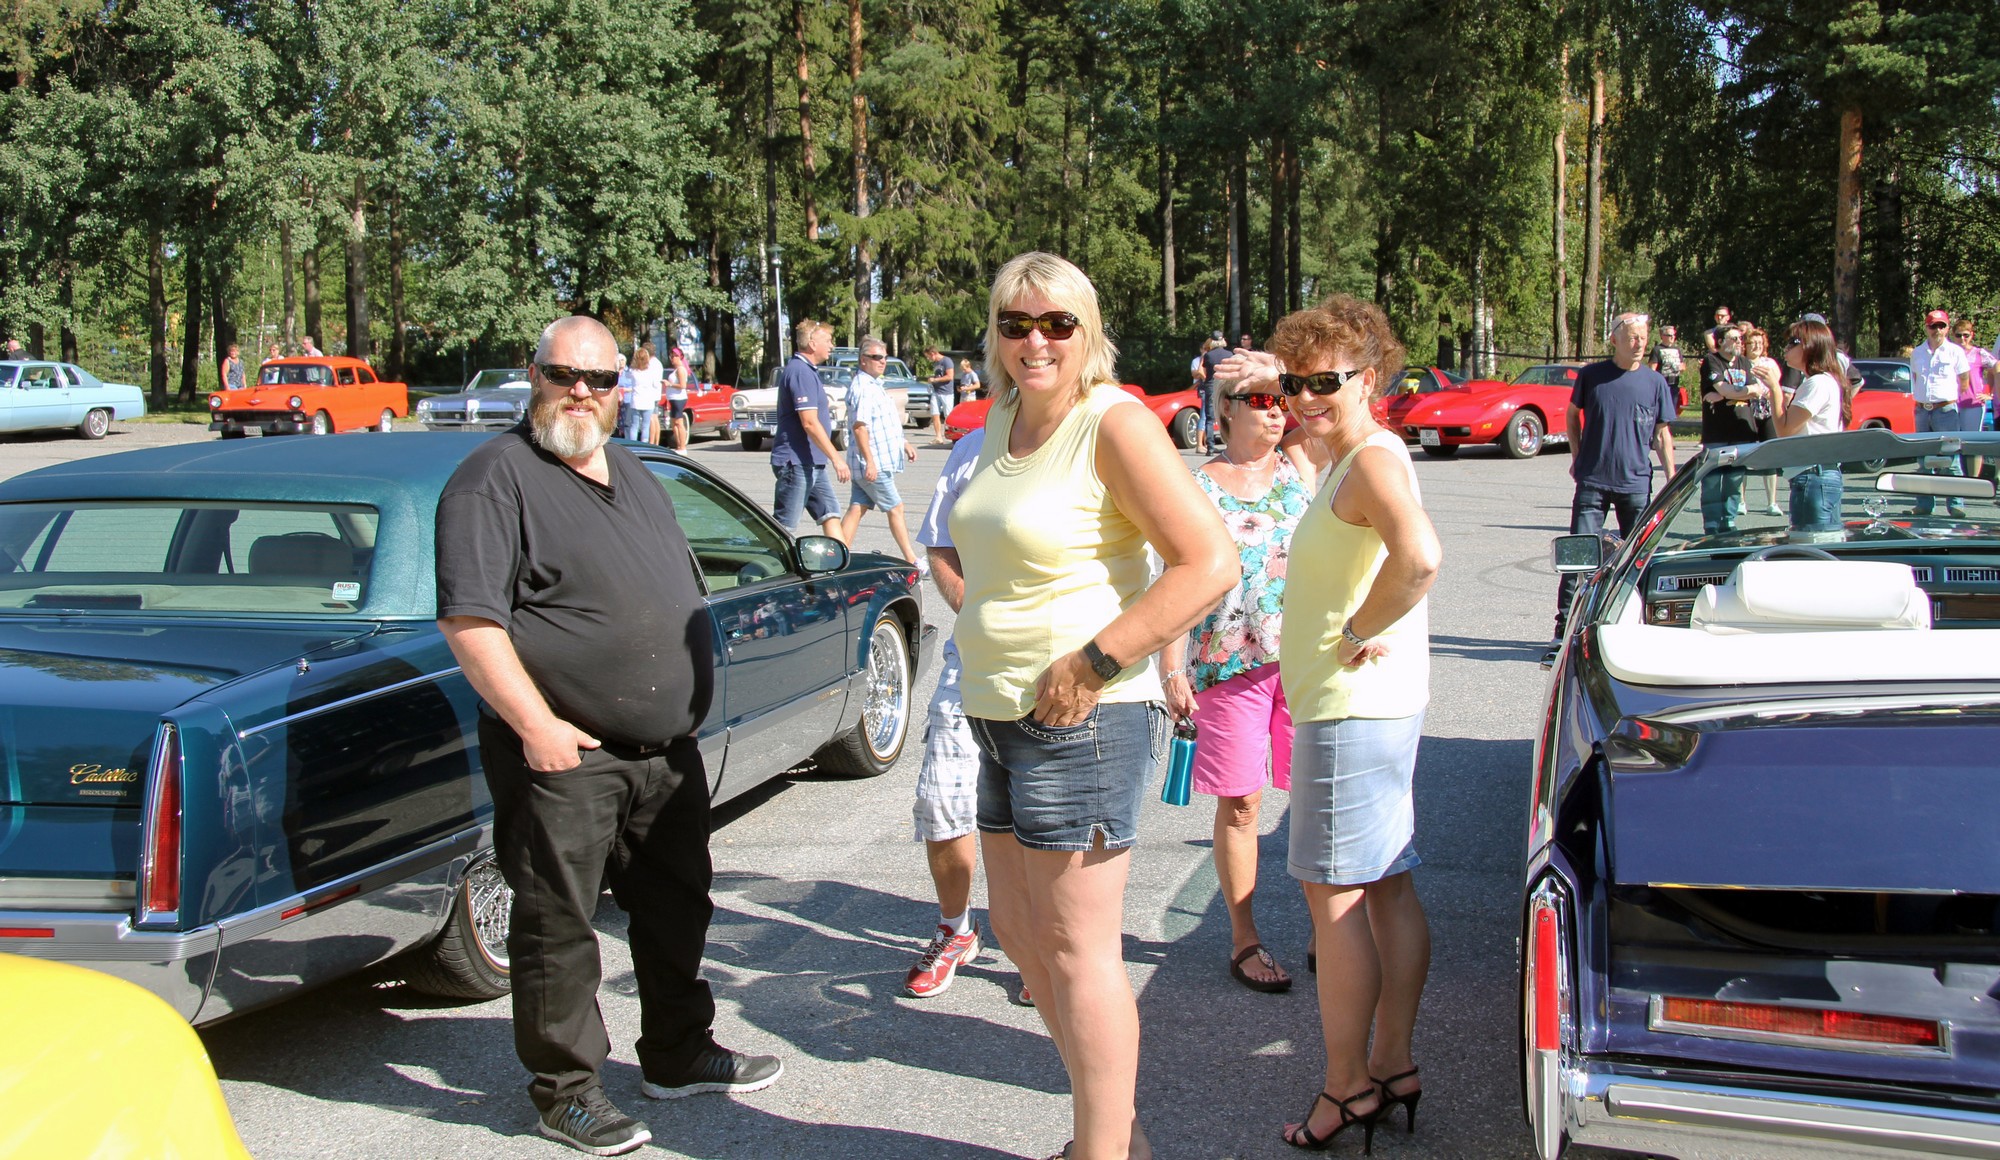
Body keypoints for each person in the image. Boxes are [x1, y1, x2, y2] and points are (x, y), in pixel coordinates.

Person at [435, 316, 782, 1158]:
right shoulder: (494, 481)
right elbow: (471, 622)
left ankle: (676, 1051)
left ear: (620, 388)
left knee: (676, 907)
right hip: (567, 755)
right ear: (534, 376)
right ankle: (567, 1091)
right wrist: (537, 726)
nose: (580, 392)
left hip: (664, 755)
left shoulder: (629, 468)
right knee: (557, 927)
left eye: (598, 379)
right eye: (563, 375)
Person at [952, 252, 1236, 1160]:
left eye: (1056, 324)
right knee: (1017, 931)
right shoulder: (1003, 417)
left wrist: (1095, 662)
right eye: (1015, 323)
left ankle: (1103, 1151)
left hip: (1082, 719)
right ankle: (1117, 1135)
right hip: (995, 713)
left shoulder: (1113, 422)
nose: (1034, 340)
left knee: (1079, 951)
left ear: (1089, 331)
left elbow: (1209, 561)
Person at [1266, 294, 1441, 1153]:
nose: (1305, 398)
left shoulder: (1368, 461)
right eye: (1293, 383)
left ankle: (1346, 1088)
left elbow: (1421, 560)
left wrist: (1356, 631)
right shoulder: (1363, 452)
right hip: (1377, 709)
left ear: (1370, 378)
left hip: (1350, 713)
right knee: (1386, 886)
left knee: (1334, 902)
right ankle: (1393, 1064)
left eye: (1325, 382)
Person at [1157, 383, 1315, 994]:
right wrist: (1172, 666)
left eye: (1282, 398)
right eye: (1260, 400)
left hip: (1304, 660)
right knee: (1243, 802)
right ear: (1225, 407)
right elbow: (1178, 575)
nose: (1276, 411)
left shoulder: (1300, 464)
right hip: (1226, 662)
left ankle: (1326, 929)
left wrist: (1279, 372)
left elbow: (1336, 402)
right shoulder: (1195, 485)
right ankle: (1244, 938)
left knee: (1313, 796)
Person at [904, 426, 1035, 1004]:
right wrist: (972, 606)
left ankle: (1037, 944)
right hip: (973, 659)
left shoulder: (1091, 435)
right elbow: (939, 543)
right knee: (941, 801)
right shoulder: (970, 448)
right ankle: (956, 929)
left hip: (1060, 663)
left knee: (1039, 813)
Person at [1557, 313, 1677, 637]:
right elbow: (1572, 416)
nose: (1639, 344)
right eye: (1632, 337)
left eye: (1643, 337)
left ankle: (1642, 624)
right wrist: (1577, 456)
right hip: (1593, 481)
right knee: (1578, 557)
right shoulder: (1592, 376)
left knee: (1639, 559)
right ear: (1614, 340)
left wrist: (1672, 477)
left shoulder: (1655, 382)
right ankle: (1563, 631)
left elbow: (1662, 434)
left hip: (1635, 484)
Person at [839, 340, 919, 562]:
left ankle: (836, 557)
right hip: (874, 463)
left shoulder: (874, 384)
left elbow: (883, 423)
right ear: (863, 360)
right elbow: (860, 427)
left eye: (884, 357)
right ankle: (912, 560)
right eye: (876, 357)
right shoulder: (863, 388)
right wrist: (870, 462)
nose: (882, 361)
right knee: (896, 508)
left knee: (858, 507)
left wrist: (904, 443)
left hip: (873, 461)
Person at [771, 319, 850, 541]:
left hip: (812, 461)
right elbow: (809, 422)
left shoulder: (807, 370)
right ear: (813, 344)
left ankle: (840, 559)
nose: (832, 345)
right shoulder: (800, 372)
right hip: (796, 463)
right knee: (783, 527)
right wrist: (837, 458)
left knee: (830, 513)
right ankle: (766, 562)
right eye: (828, 340)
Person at [1777, 317, 1853, 531]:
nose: (1786, 348)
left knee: (1810, 545)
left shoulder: (1817, 383)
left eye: (1793, 342)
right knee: (1823, 542)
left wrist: (1774, 387)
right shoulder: (1821, 381)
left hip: (1813, 476)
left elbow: (1784, 430)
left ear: (1810, 346)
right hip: (1819, 475)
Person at [1697, 325, 1764, 536]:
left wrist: (1729, 394)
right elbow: (1722, 388)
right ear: (1720, 342)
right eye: (1734, 338)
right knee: (1712, 480)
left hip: (1741, 431)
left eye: (1740, 338)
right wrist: (1741, 393)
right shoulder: (1712, 361)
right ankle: (1711, 524)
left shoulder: (1745, 362)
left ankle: (1728, 521)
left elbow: (1758, 390)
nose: (1739, 342)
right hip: (1717, 431)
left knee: (1734, 480)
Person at [1910, 309, 1971, 517]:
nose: (1937, 330)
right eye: (1933, 326)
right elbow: (1916, 378)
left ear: (1947, 328)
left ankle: (1956, 505)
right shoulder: (1917, 352)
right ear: (1926, 328)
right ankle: (1924, 505)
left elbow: (1964, 380)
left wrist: (1950, 399)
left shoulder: (1955, 351)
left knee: (1951, 459)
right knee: (1923, 460)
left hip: (1945, 410)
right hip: (1922, 410)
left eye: (1941, 326)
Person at [1742, 328, 1785, 515]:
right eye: (1753, 343)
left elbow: (1776, 386)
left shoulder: (1769, 363)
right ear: (1745, 345)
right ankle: (1741, 501)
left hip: (1766, 412)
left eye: (1760, 343)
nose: (1757, 346)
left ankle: (1772, 502)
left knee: (1770, 455)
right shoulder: (1741, 363)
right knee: (1744, 456)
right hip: (1747, 411)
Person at [1952, 319, 1995, 479]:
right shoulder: (1948, 352)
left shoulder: (1979, 353)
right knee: (1951, 442)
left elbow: (1996, 368)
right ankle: (1954, 477)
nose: (1962, 339)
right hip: (1950, 403)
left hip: (1973, 404)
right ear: (1953, 335)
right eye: (1958, 335)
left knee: (1972, 442)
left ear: (1972, 335)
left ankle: (1974, 479)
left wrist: (1990, 393)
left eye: (1966, 335)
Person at [1200, 332, 1234, 452]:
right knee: (1228, 414)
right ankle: (1229, 443)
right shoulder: (1229, 354)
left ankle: (1210, 447)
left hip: (1211, 386)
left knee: (1209, 418)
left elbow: (1203, 372)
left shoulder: (1208, 355)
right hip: (1225, 386)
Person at [626, 344, 663, 444]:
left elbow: (627, 375)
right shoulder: (651, 372)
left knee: (634, 425)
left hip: (636, 401)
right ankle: (644, 444)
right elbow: (656, 384)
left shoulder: (633, 371)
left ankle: (633, 445)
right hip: (648, 401)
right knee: (645, 426)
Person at [1648, 324, 1685, 409]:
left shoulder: (1677, 349)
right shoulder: (1657, 349)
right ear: (1662, 336)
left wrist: (1680, 368)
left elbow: (1682, 366)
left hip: (1674, 384)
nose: (1672, 337)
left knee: (1672, 409)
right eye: (1669, 335)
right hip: (1662, 385)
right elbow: (1652, 369)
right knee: (1662, 408)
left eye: (1673, 335)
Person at [925, 345, 956, 445]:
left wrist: (935, 379)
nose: (928, 359)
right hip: (936, 391)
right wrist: (932, 379)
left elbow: (950, 376)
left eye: (928, 356)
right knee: (935, 413)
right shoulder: (936, 363)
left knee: (948, 416)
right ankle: (938, 437)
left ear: (932, 353)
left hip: (946, 392)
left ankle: (954, 437)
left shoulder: (947, 361)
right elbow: (938, 376)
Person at [665, 345, 692, 450]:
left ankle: (682, 446)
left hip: (678, 399)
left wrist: (669, 384)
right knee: (674, 423)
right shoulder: (676, 369)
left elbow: (683, 385)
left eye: (673, 356)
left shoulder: (680, 369)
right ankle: (678, 445)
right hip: (673, 398)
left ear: (679, 357)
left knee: (679, 423)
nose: (671, 359)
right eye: (671, 356)